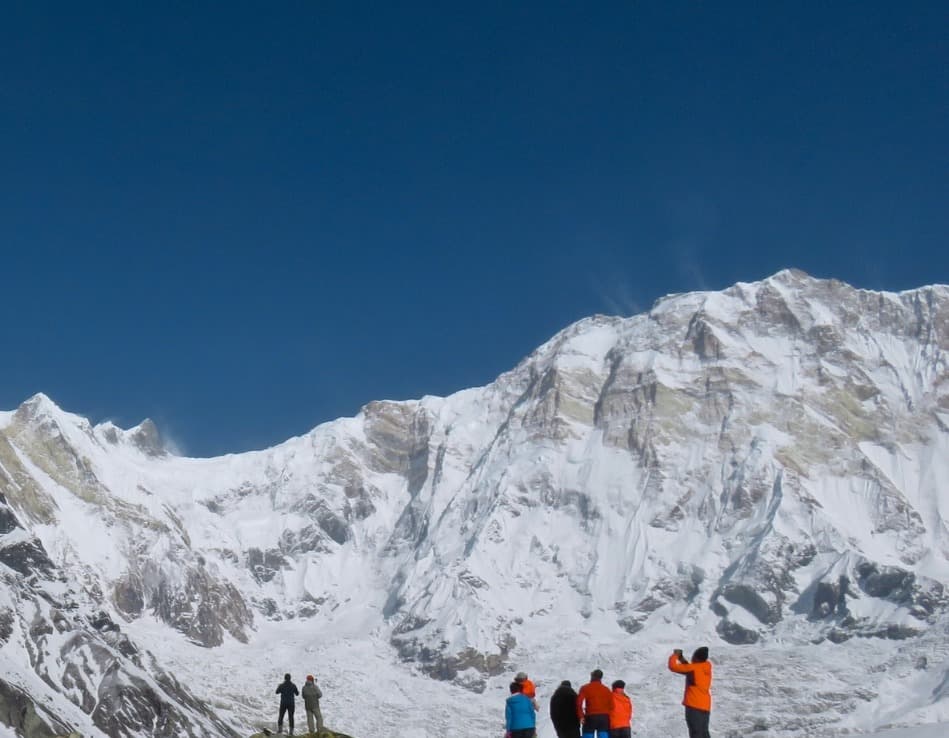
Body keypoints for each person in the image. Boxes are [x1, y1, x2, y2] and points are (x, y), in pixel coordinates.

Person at [668, 646, 712, 738]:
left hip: (694, 705)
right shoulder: (706, 667)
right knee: (704, 733)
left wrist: (675, 655)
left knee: (695, 733)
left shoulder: (693, 669)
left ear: (696, 658)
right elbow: (690, 669)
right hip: (705, 707)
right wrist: (681, 659)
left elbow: (673, 666)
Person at [576, 669, 613, 738]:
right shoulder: (606, 690)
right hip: (604, 718)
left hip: (590, 717)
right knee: (603, 736)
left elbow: (579, 703)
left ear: (592, 676)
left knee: (588, 735)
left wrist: (581, 716)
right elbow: (612, 706)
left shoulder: (585, 688)